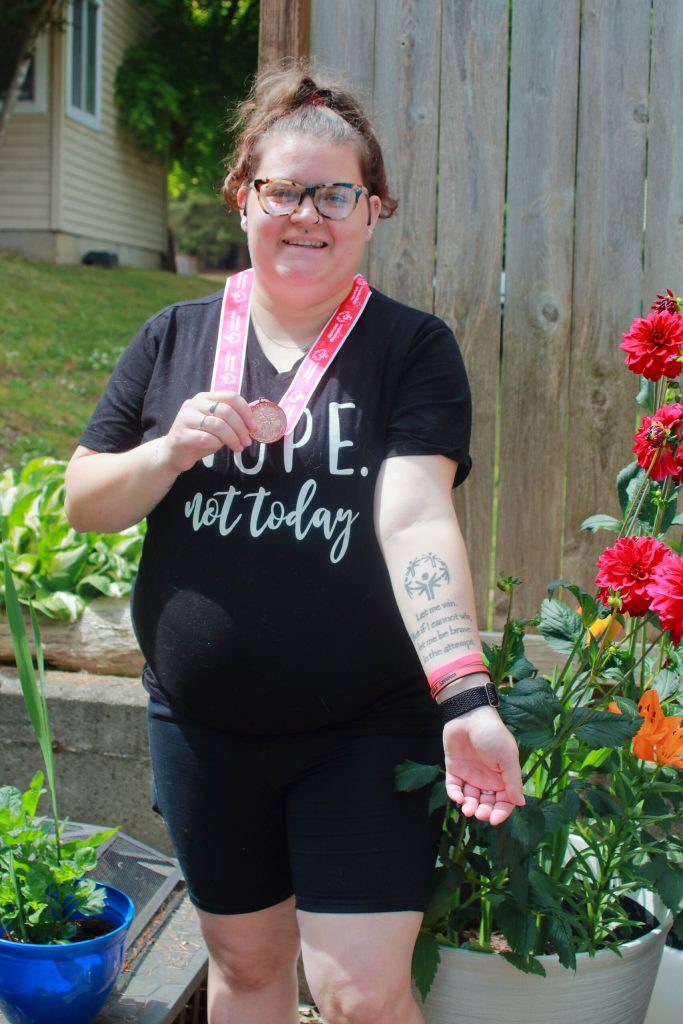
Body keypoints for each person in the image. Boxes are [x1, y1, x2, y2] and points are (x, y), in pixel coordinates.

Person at [64, 62, 524, 1024]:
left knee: (359, 992)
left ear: (372, 208)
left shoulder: (411, 349)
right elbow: (86, 503)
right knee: (243, 968)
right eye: (282, 190)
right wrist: (168, 449)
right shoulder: (171, 337)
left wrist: (466, 696)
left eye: (334, 192)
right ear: (243, 199)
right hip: (201, 725)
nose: (305, 213)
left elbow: (413, 516)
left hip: (362, 722)